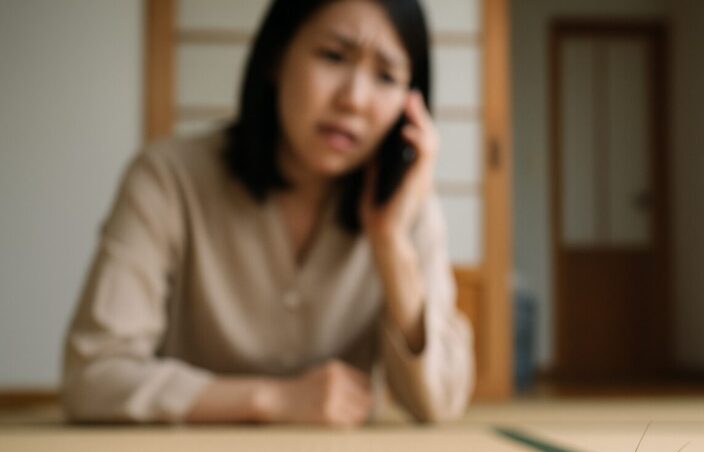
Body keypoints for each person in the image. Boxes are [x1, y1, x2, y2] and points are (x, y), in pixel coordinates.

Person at [61, 0, 474, 426]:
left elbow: (440, 403)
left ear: (411, 106)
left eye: (386, 76)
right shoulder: (167, 178)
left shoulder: (407, 205)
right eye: (333, 56)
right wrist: (269, 399)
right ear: (277, 56)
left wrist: (391, 243)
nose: (354, 99)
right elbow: (92, 377)